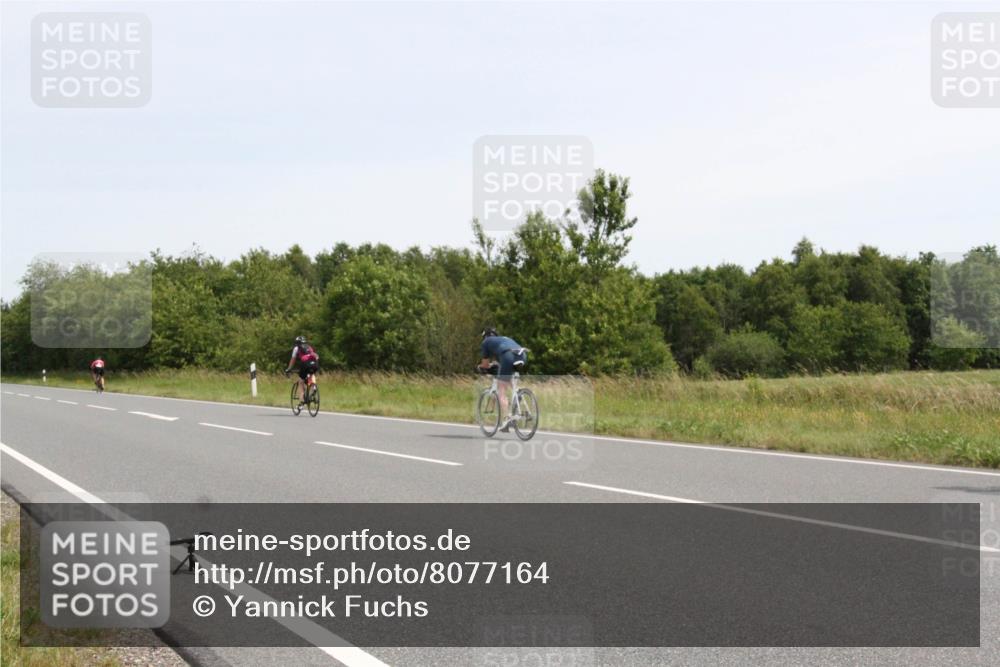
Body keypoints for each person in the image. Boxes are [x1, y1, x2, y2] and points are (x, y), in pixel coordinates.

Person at [477, 327, 527, 431]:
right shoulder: (503, 339)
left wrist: (481, 367)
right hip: (522, 355)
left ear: (485, 336)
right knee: (508, 378)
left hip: (508, 355)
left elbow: (485, 365)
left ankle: (507, 418)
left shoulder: (486, 342)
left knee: (501, 390)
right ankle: (518, 394)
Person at [285, 336, 319, 405]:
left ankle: (301, 402)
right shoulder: (309, 347)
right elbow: (316, 356)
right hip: (314, 363)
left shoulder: (296, 348)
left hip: (305, 364)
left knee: (301, 382)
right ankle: (314, 386)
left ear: (297, 343)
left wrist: (289, 369)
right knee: (312, 374)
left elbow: (293, 359)